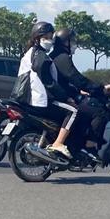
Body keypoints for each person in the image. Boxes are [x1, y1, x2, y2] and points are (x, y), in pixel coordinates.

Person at [50, 28, 110, 150]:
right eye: (73, 41)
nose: (75, 44)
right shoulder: (62, 57)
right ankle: (89, 147)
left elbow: (66, 80)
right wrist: (99, 88)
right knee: (100, 111)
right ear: (66, 42)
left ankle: (77, 142)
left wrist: (79, 90)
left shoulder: (55, 56)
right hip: (62, 97)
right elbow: (76, 78)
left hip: (62, 94)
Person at [18, 20, 76, 160]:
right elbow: (49, 82)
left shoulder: (31, 53)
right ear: (37, 38)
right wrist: (66, 98)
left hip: (30, 98)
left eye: (51, 37)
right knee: (73, 110)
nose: (49, 40)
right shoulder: (40, 56)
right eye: (47, 37)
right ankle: (58, 143)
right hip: (38, 100)